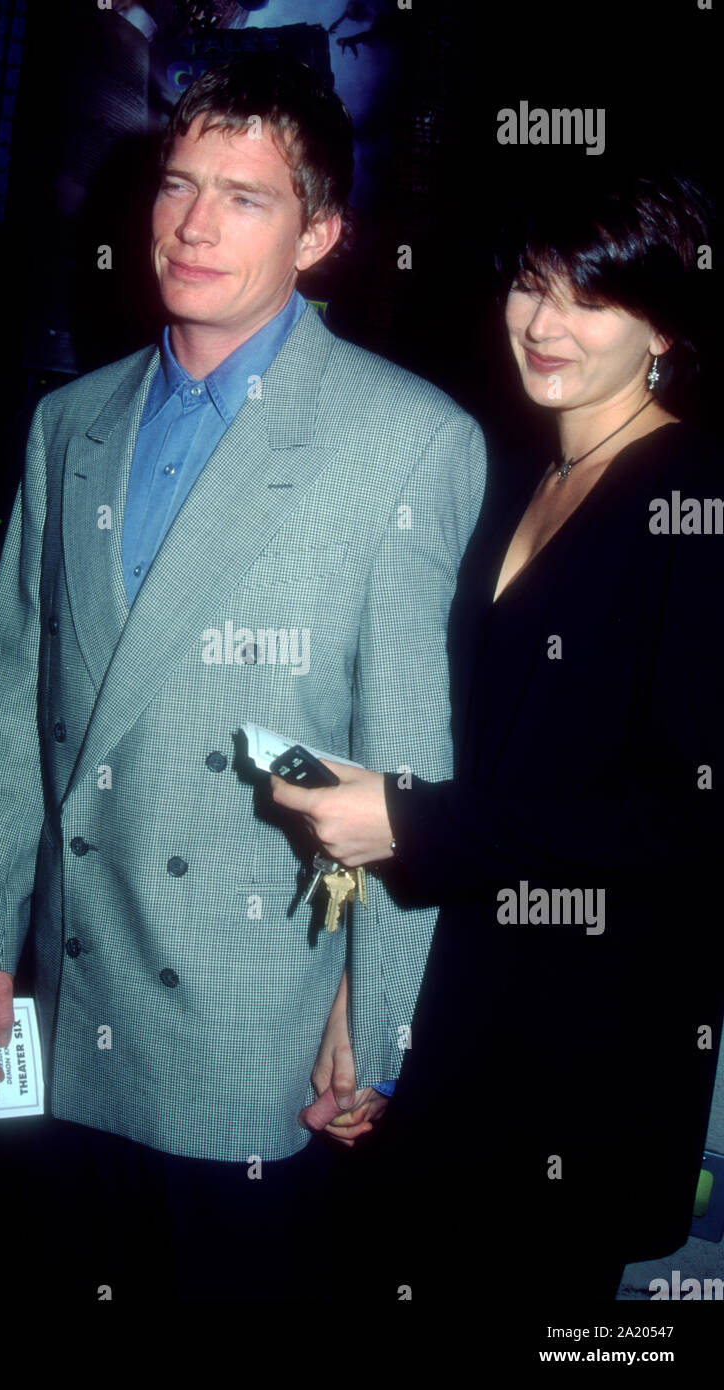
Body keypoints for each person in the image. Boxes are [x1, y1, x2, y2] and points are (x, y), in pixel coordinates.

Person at [0, 54, 486, 1300]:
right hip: (58, 988)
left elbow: (408, 773)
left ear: (324, 233)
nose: (193, 225)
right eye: (179, 185)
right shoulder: (68, 422)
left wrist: (378, 1027)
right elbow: (16, 707)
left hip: (248, 1024)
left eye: (246, 198)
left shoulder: (406, 439)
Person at [271, 171, 723, 1301]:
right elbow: (445, 757)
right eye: (531, 284)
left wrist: (411, 819)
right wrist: (359, 1003)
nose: (546, 322)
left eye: (593, 296)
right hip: (449, 1014)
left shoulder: (699, 500)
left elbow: (689, 812)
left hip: (584, 1053)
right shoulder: (505, 478)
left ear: (664, 324)